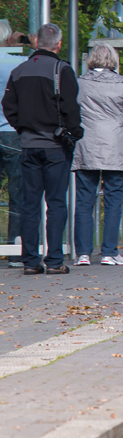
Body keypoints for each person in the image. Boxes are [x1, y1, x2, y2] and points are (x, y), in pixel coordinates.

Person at [1, 23, 82, 275]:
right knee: (56, 202)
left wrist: (23, 128)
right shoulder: (62, 70)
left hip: (28, 145)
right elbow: (71, 109)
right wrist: (74, 133)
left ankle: (30, 261)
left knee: (30, 203)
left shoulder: (20, 70)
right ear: (58, 44)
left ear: (36, 42)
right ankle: (55, 260)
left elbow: (8, 105)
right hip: (56, 146)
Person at [71, 43, 123, 266]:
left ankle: (82, 253)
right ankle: (109, 252)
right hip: (115, 145)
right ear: (113, 60)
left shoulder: (79, 83)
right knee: (113, 200)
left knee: (84, 200)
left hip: (86, 144)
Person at [0, 21, 25, 267]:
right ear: (9, 41)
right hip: (12, 132)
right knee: (18, 193)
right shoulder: (17, 64)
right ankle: (16, 250)